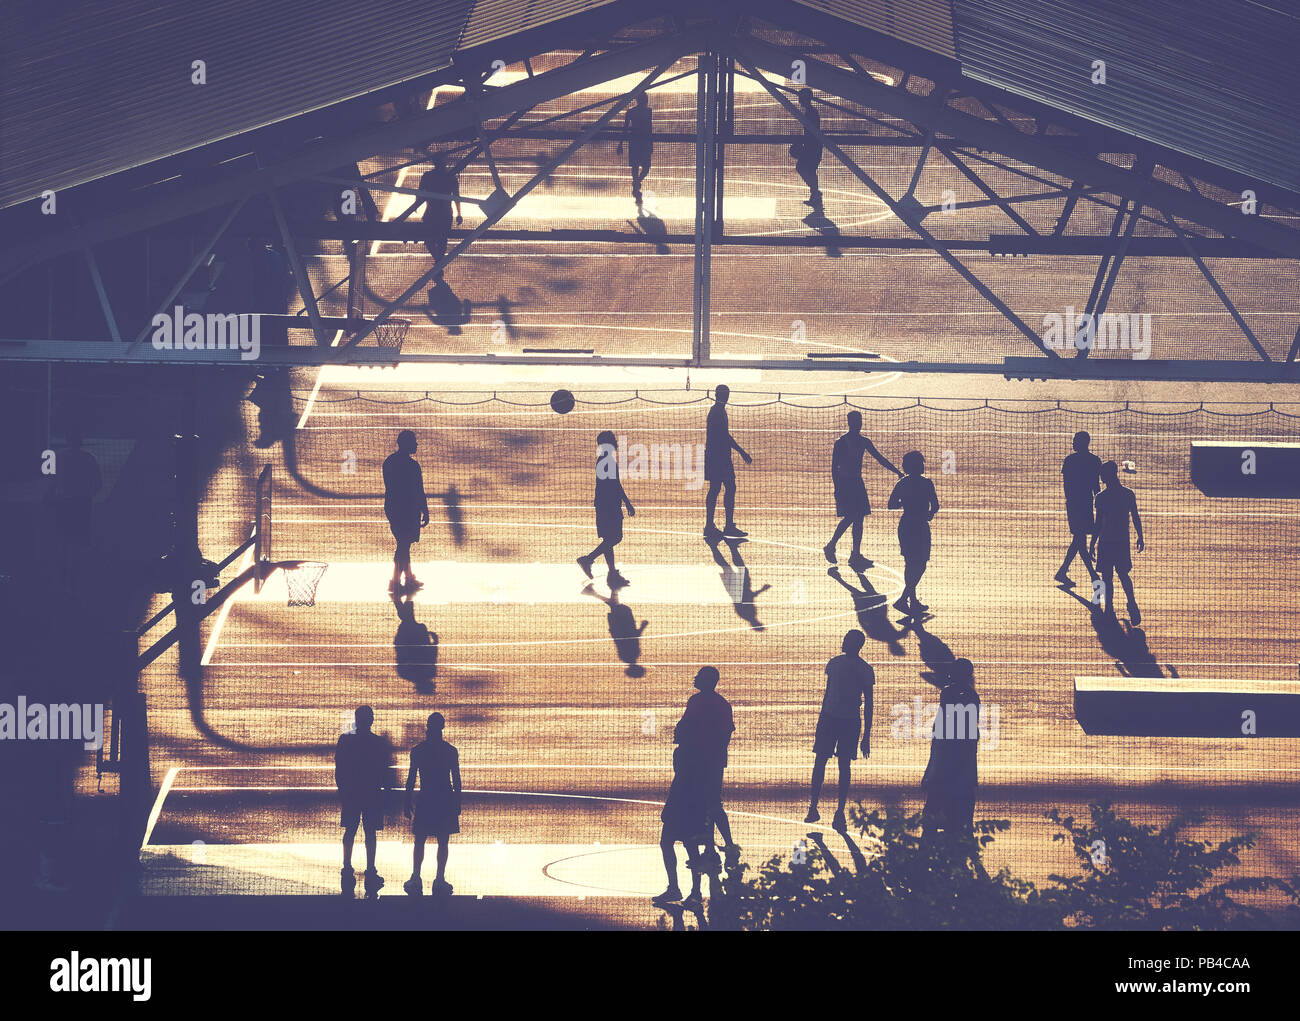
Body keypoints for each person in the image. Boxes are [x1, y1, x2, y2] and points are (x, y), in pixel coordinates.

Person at [806, 630, 874, 831]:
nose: (843, 642)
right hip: (845, 721)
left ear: (855, 644)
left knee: (824, 763)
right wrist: (866, 735)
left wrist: (867, 735)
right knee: (842, 766)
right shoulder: (862, 669)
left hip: (834, 719)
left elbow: (866, 702)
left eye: (846, 640)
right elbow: (867, 703)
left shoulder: (836, 664)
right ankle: (835, 811)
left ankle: (817, 808)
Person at [673, 666, 740, 870]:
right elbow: (726, 734)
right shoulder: (722, 704)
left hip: (698, 761)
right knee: (712, 804)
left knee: (706, 805)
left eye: (699, 676)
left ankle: (716, 847)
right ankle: (722, 846)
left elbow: (685, 727)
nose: (695, 678)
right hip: (715, 760)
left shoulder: (696, 702)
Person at [824, 411, 902, 571]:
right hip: (846, 484)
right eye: (855, 421)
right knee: (852, 517)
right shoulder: (841, 442)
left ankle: (855, 554)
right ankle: (832, 545)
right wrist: (837, 487)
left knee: (858, 519)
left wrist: (896, 471)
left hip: (857, 483)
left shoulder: (863, 441)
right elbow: (834, 468)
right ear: (849, 423)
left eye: (859, 421)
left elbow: (880, 458)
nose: (858, 424)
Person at [920, 659, 980, 857]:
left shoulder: (948, 693)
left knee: (935, 798)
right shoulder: (971, 696)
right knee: (964, 797)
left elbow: (944, 727)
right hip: (964, 755)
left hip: (949, 754)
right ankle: (964, 837)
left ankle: (925, 849)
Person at [403, 712, 461, 897]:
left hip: (426, 798)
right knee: (443, 841)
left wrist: (406, 801)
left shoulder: (418, 751)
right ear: (442, 727)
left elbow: (411, 779)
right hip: (444, 799)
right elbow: (456, 780)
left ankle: (416, 877)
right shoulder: (450, 751)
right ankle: (440, 879)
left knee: (419, 840)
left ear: (428, 727)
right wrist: (457, 802)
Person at [335, 705, 391, 897]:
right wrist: (387, 793)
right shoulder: (378, 743)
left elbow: (339, 768)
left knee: (350, 830)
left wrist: (343, 791)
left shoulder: (345, 740)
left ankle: (347, 868)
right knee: (370, 833)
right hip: (372, 793)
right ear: (371, 720)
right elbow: (385, 770)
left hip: (351, 793)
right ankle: (370, 869)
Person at [578, 431, 636, 588]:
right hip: (609, 505)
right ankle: (588, 559)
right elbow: (615, 485)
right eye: (613, 440)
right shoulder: (608, 461)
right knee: (616, 537)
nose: (616, 443)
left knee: (608, 539)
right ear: (608, 444)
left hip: (604, 504)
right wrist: (627, 503)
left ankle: (612, 573)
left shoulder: (604, 460)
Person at [1090, 460, 1145, 624]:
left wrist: (1093, 542)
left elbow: (1098, 523)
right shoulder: (1128, 494)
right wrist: (1140, 535)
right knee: (1123, 575)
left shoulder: (1101, 498)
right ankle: (1132, 603)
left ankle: (1109, 609)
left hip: (1106, 542)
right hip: (1122, 542)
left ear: (1106, 477)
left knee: (1107, 577)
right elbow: (1135, 516)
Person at [887, 451, 939, 616]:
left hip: (906, 525)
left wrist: (905, 501)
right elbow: (935, 506)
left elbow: (891, 505)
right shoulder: (927, 483)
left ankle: (912, 600)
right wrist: (929, 515)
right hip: (921, 526)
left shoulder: (902, 484)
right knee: (921, 564)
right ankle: (905, 598)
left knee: (910, 564)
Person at [398, 151, 462, 280]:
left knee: (429, 238)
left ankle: (438, 261)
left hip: (431, 212)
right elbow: (456, 197)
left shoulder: (428, 176)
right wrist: (459, 214)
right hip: (445, 213)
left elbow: (420, 192)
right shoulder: (451, 177)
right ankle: (438, 263)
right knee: (442, 239)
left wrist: (416, 205)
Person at [383, 430, 429, 594]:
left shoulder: (389, 462)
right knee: (403, 546)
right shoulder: (413, 466)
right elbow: (419, 490)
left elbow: (390, 486)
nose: (416, 444)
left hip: (393, 508)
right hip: (408, 510)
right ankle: (395, 581)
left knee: (403, 544)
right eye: (414, 442)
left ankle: (408, 578)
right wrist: (425, 510)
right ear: (407, 444)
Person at [703, 385, 752, 540]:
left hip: (717, 456)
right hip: (718, 457)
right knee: (723, 488)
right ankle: (719, 525)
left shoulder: (718, 411)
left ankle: (715, 525)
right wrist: (742, 452)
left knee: (720, 488)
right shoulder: (717, 413)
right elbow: (725, 436)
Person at [1055, 431, 1102, 587]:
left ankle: (1063, 571)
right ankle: (1092, 575)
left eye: (1075, 441)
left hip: (1074, 506)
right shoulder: (1095, 461)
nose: (1073, 443)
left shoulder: (1069, 461)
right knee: (1079, 540)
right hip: (1086, 505)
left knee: (1078, 540)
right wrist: (1100, 504)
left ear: (1082, 443)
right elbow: (1096, 486)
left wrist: (1072, 502)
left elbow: (1066, 486)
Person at [790, 88, 823, 211]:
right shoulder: (810, 112)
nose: (799, 99)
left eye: (801, 97)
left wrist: (801, 143)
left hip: (812, 147)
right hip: (812, 146)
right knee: (808, 169)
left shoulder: (811, 113)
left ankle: (815, 193)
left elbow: (811, 132)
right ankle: (815, 194)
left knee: (804, 168)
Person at [617, 92, 653, 204]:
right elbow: (649, 128)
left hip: (635, 141)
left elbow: (625, 128)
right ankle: (636, 184)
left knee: (635, 166)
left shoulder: (631, 112)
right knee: (645, 167)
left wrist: (621, 143)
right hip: (644, 141)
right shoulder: (648, 112)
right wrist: (651, 143)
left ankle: (636, 184)